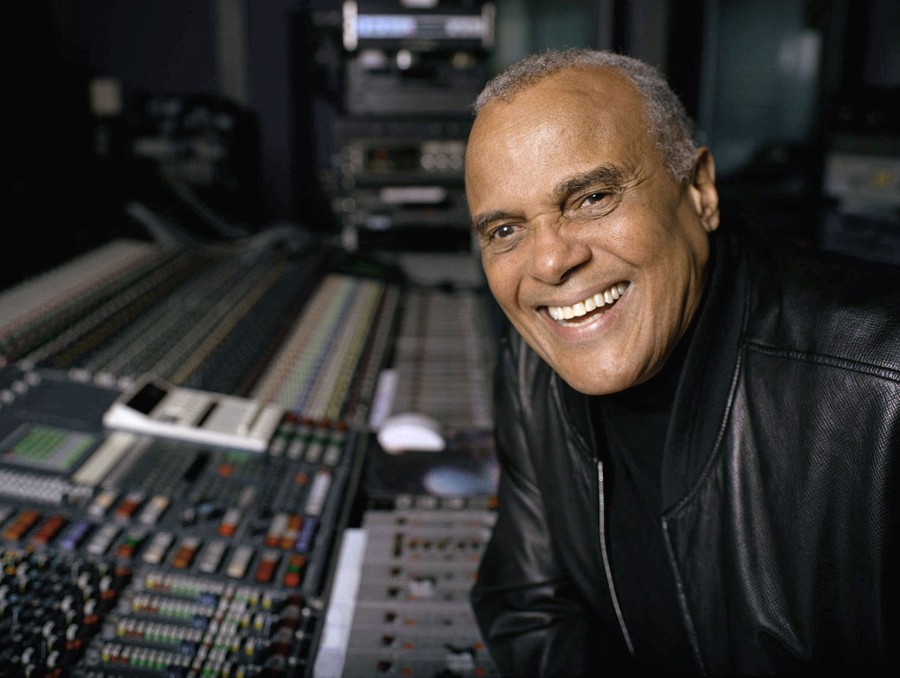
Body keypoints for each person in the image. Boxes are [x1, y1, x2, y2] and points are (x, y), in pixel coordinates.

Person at [464, 48, 898, 676]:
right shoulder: (533, 367)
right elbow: (530, 604)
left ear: (699, 191)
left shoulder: (884, 386)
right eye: (505, 230)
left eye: (591, 197)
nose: (551, 262)